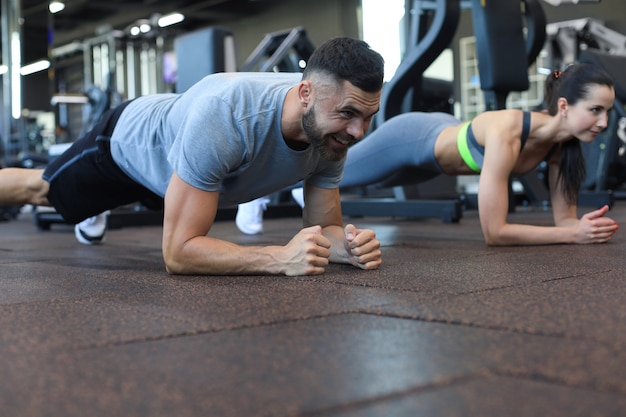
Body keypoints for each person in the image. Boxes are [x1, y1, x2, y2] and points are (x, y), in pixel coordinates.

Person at [0, 37, 385, 276]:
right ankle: (98, 203)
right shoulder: (228, 115)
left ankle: (147, 201)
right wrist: (278, 258)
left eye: (368, 117)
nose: (358, 132)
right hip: (131, 148)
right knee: (41, 190)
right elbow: (179, 254)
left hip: (185, 175)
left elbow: (326, 230)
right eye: (349, 114)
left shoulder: (331, 130)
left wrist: (347, 248)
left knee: (185, 192)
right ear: (306, 95)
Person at [242, 62, 619, 245]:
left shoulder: (561, 148)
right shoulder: (509, 130)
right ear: (566, 106)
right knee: (332, 166)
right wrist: (570, 237)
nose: (602, 122)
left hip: (434, 158)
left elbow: (565, 221)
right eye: (596, 110)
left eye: (608, 112)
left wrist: (584, 227)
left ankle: (290, 189)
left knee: (357, 182)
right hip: (414, 139)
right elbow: (495, 232)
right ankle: (255, 193)